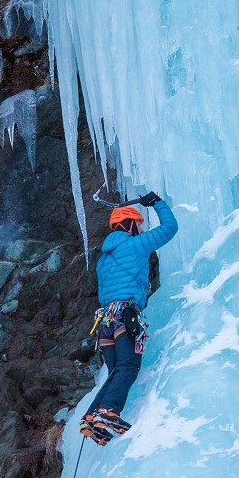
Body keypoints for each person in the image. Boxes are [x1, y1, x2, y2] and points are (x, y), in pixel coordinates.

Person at [79, 191, 178, 445]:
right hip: (125, 316)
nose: (140, 228)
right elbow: (169, 228)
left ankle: (93, 418)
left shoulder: (103, 260)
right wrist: (157, 203)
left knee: (116, 371)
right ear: (130, 224)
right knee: (128, 367)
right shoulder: (136, 244)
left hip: (105, 323)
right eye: (138, 224)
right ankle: (109, 412)